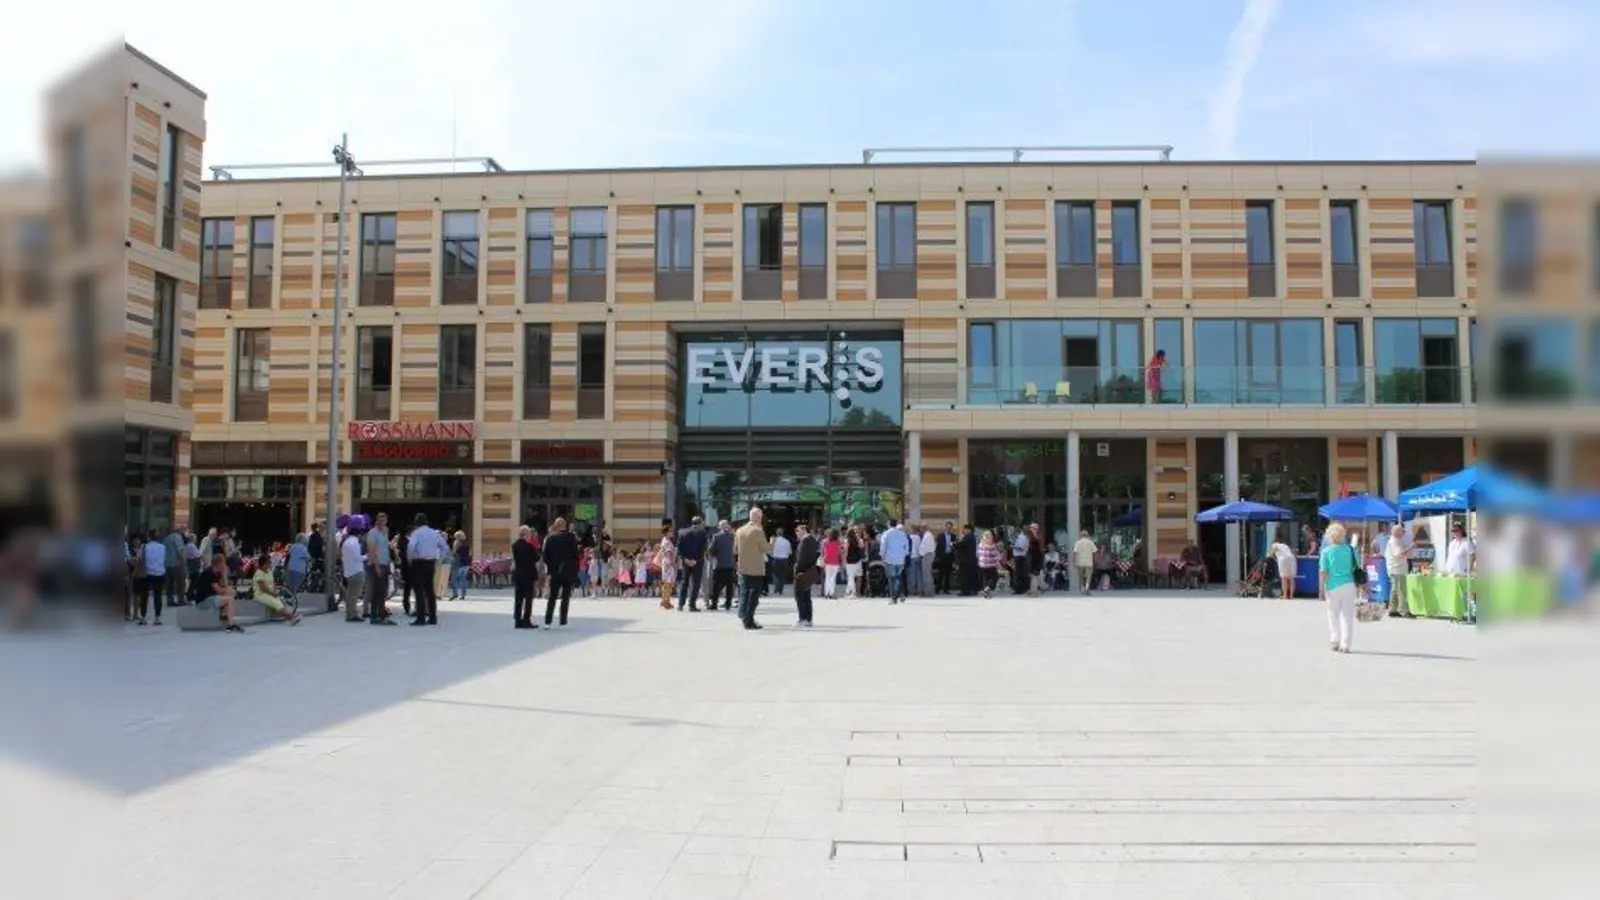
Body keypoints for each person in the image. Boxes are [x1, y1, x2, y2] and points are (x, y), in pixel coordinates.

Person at [1319, 522, 1360, 653]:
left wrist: (1322, 587)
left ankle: (1334, 640)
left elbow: (1323, 571)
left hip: (1332, 585)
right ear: (1343, 535)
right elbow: (1355, 567)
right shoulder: (1349, 549)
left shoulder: (1326, 551)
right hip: (1349, 584)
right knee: (1347, 616)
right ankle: (1346, 644)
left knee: (1332, 614)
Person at [406, 513, 449, 626]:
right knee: (430, 590)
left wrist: (410, 558)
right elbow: (445, 547)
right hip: (431, 562)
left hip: (418, 562)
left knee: (419, 590)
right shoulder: (434, 533)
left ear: (416, 522)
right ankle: (432, 617)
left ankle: (420, 618)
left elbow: (411, 546)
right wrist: (439, 559)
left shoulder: (416, 533)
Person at [735, 508, 770, 630]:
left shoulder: (739, 530)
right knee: (754, 595)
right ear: (758, 518)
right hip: (756, 568)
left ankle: (743, 614)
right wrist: (772, 543)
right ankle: (748, 620)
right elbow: (766, 549)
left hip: (743, 567)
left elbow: (735, 549)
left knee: (744, 592)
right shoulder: (758, 531)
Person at [193, 552, 245, 633]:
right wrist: (227, 589)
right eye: (223, 563)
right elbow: (219, 590)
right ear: (219, 564)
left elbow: (224, 585)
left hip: (211, 597)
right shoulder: (209, 573)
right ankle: (230, 624)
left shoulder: (217, 572)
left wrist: (224, 574)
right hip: (203, 601)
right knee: (229, 599)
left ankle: (223, 616)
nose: (225, 565)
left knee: (230, 592)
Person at [542, 517, 580, 627]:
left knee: (552, 597)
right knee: (565, 597)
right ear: (565, 526)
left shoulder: (550, 539)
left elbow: (545, 557)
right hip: (568, 571)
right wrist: (575, 570)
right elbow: (575, 555)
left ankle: (548, 621)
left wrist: (551, 568)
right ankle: (563, 620)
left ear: (555, 526)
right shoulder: (571, 537)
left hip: (555, 572)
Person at [249, 553, 300, 624]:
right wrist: (273, 593)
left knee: (281, 600)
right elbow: (263, 589)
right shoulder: (258, 573)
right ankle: (291, 618)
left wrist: (275, 591)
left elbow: (273, 583)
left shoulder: (269, 572)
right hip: (261, 594)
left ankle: (290, 615)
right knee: (276, 602)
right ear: (263, 563)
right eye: (268, 563)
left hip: (270, 592)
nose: (270, 564)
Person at [366, 512, 395, 624]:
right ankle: (374, 616)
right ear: (376, 521)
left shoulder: (385, 531)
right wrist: (377, 567)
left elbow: (385, 547)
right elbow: (371, 551)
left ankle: (381, 615)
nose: (382, 522)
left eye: (384, 520)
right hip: (377, 564)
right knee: (377, 591)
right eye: (380, 520)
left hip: (385, 563)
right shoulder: (372, 533)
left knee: (383, 591)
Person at [675, 516, 709, 611]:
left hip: (686, 562)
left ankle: (680, 604)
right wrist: (695, 560)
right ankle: (692, 605)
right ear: (700, 523)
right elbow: (703, 549)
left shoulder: (682, 532)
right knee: (696, 583)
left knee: (684, 582)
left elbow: (679, 547)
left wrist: (685, 559)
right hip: (697, 562)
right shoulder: (702, 533)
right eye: (702, 523)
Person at [512, 525, 541, 628]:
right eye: (529, 534)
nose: (530, 536)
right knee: (528, 598)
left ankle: (517, 620)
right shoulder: (529, 546)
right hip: (528, 575)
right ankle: (526, 620)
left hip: (518, 574)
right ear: (525, 534)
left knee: (518, 598)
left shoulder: (514, 545)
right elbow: (537, 557)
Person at [791, 523, 820, 627]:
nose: (796, 533)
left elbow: (802, 558)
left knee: (799, 595)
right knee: (806, 596)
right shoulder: (812, 540)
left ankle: (803, 618)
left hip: (802, 572)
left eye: (797, 531)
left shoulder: (805, 541)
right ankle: (808, 618)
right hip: (808, 571)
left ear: (804, 530)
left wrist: (796, 569)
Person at [138, 528, 167, 626]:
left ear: (149, 537)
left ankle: (143, 617)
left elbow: (140, 558)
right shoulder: (163, 547)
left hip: (147, 574)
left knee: (144, 596)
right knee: (158, 596)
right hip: (159, 573)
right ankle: (157, 618)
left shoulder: (144, 546)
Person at [340, 520, 367, 622]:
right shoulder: (355, 543)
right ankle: (353, 614)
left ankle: (350, 613)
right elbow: (357, 558)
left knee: (350, 594)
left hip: (348, 571)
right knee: (355, 595)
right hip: (357, 571)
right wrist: (367, 556)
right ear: (358, 534)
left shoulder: (346, 542)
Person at [879, 520, 911, 603]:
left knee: (892, 578)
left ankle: (893, 598)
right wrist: (905, 554)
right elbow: (907, 546)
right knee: (898, 577)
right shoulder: (902, 534)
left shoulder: (886, 534)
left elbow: (883, 546)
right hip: (900, 559)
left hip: (890, 558)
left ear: (889, 524)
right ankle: (901, 594)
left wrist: (882, 556)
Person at [1384, 524, 1412, 618]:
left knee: (1395, 590)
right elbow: (1399, 554)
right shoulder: (1394, 541)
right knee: (1401, 590)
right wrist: (1411, 547)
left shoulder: (1396, 541)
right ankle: (1404, 610)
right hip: (1397, 569)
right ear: (1397, 532)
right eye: (1402, 531)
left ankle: (1392, 609)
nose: (1404, 533)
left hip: (1396, 569)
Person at [162, 525, 187, 610]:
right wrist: (184, 562)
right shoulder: (177, 537)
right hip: (177, 564)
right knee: (181, 582)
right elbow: (180, 550)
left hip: (167, 564)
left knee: (169, 584)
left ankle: (170, 600)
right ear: (179, 530)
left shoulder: (166, 539)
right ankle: (181, 599)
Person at [656, 525, 678, 610]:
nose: (672, 532)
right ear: (666, 532)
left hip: (667, 564)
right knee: (669, 584)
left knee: (667, 584)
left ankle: (665, 600)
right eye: (670, 531)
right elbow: (668, 554)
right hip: (668, 564)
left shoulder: (666, 540)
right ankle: (666, 601)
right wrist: (671, 563)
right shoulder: (667, 542)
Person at [977, 530, 1003, 599]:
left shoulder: (980, 545)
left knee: (985, 579)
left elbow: (978, 554)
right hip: (991, 564)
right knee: (994, 577)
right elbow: (997, 556)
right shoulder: (992, 546)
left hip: (982, 565)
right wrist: (998, 563)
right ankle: (987, 589)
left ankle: (986, 594)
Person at [447, 531, 472, 600]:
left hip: (458, 562)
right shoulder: (467, 543)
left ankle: (455, 594)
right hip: (467, 563)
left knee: (454, 579)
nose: (455, 538)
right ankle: (463, 595)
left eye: (456, 536)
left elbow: (454, 552)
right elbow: (470, 553)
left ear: (457, 537)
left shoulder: (457, 542)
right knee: (463, 579)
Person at [1071, 531, 1097, 596]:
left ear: (1081, 535)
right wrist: (1095, 561)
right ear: (1087, 535)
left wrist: (1074, 562)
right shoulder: (1091, 542)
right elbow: (1094, 552)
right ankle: (1087, 588)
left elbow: (1075, 553)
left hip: (1080, 562)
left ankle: (1082, 588)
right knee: (1089, 576)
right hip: (1089, 562)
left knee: (1080, 576)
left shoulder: (1078, 543)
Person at [956, 524, 979, 596]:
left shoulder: (969, 537)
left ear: (969, 530)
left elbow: (960, 544)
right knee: (970, 576)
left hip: (966, 560)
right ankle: (972, 590)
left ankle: (965, 591)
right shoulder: (971, 536)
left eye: (964, 529)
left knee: (965, 576)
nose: (963, 531)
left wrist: (953, 544)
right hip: (969, 560)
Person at [821, 528, 844, 600]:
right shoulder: (838, 542)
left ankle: (826, 593)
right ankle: (831, 593)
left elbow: (823, 552)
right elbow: (841, 551)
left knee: (827, 578)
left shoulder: (824, 541)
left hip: (827, 561)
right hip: (835, 561)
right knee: (833, 578)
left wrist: (823, 561)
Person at [769, 527, 792, 597]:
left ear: (776, 533)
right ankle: (780, 589)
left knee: (775, 574)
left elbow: (770, 551)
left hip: (776, 559)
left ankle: (776, 588)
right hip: (784, 559)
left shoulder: (773, 541)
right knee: (782, 575)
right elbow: (790, 552)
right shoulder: (787, 541)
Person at [844, 527, 865, 599]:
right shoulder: (859, 540)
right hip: (858, 561)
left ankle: (852, 592)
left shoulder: (847, 540)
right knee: (859, 576)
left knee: (850, 577)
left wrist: (844, 560)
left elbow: (846, 551)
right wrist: (858, 538)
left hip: (849, 561)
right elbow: (862, 547)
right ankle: (857, 592)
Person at [918, 524, 936, 597]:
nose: (920, 531)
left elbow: (924, 547)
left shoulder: (927, 536)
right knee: (927, 574)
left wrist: (921, 553)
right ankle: (929, 591)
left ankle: (928, 592)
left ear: (923, 529)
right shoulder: (929, 535)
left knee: (926, 574)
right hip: (929, 555)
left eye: (921, 529)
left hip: (926, 555)